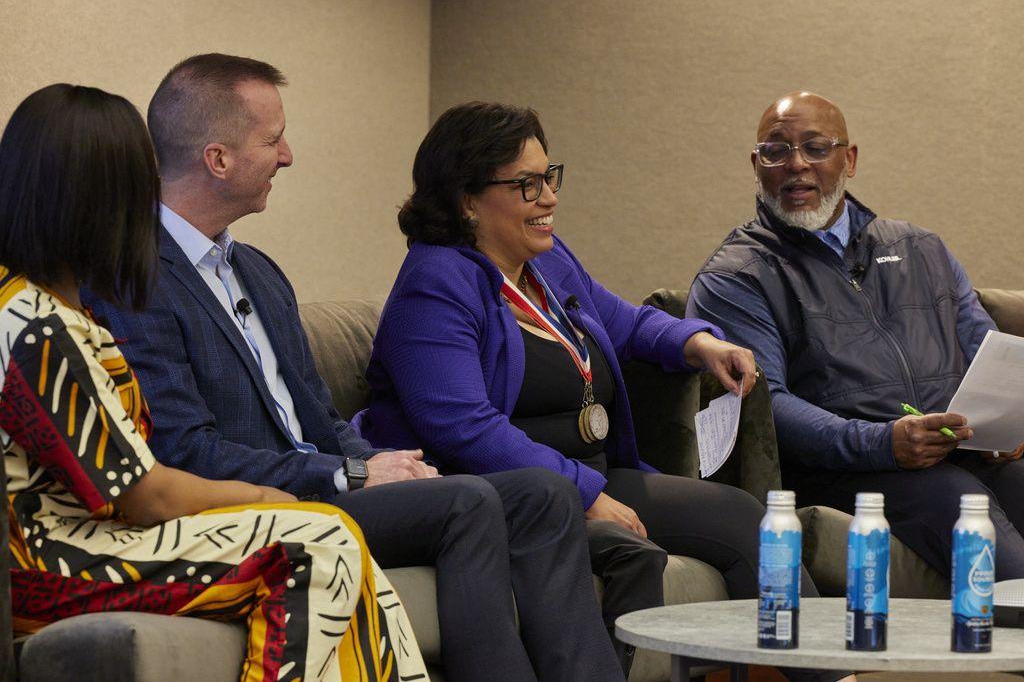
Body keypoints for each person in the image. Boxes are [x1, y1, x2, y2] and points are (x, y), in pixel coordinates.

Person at [86, 55, 621, 682]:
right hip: (259, 507)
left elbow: (320, 412)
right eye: (273, 138)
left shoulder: (258, 271)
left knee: (543, 492)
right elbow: (185, 451)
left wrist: (383, 465)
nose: (287, 155)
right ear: (218, 158)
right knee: (468, 501)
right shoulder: (135, 279)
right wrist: (349, 473)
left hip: (326, 487)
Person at [357, 101, 853, 682]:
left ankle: (830, 675)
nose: (548, 198)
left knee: (749, 523)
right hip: (511, 494)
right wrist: (585, 494)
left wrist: (699, 344)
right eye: (526, 185)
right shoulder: (435, 285)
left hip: (587, 473)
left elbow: (625, 320)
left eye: (549, 177)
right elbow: (463, 428)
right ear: (467, 199)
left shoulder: (544, 261)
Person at [0, 83, 427, 682]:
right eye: (134, 186)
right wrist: (269, 499)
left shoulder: (42, 307)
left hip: (99, 541)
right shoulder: (37, 327)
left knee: (334, 539)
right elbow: (146, 495)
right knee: (315, 543)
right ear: (93, 199)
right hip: (57, 563)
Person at [686, 90, 1024, 580]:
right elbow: (765, 405)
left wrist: (1004, 426)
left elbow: (985, 352)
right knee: (962, 505)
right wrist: (882, 443)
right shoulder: (736, 276)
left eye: (816, 147)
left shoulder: (921, 248)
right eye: (777, 151)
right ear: (757, 164)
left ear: (850, 158)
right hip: (845, 471)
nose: (796, 164)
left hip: (953, 452)